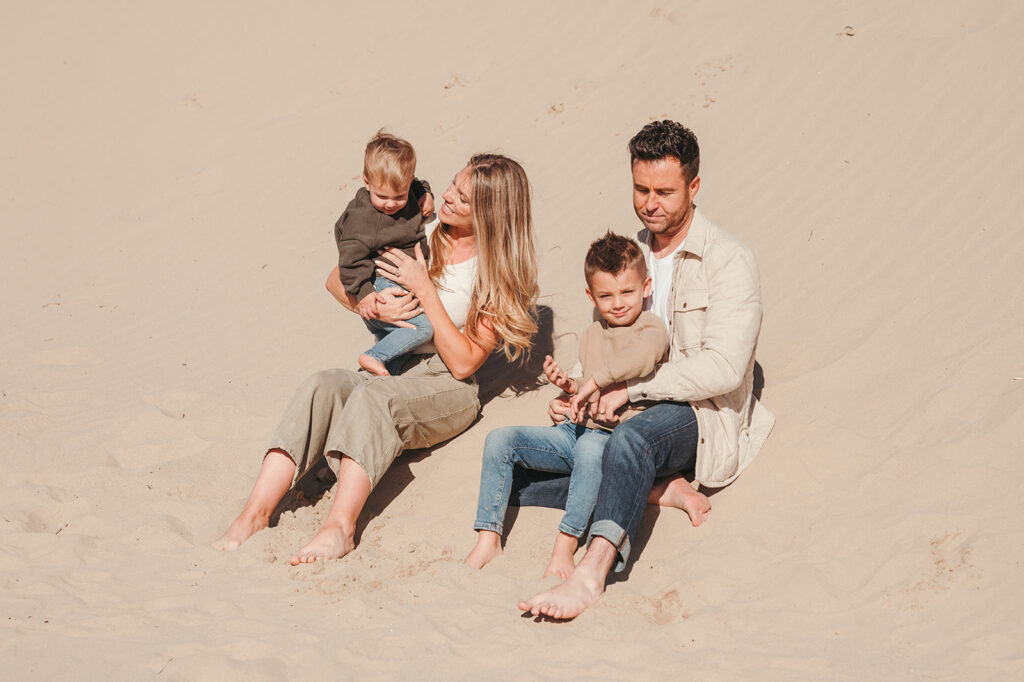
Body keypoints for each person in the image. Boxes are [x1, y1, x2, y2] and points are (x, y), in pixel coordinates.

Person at [213, 154, 539, 565]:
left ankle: (339, 529)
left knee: (375, 398)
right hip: (393, 362)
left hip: (446, 386)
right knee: (322, 385)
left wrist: (425, 290)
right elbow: (335, 279)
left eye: (464, 198)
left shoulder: (497, 271)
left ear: (492, 214)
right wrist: (370, 304)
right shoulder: (421, 230)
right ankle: (253, 515)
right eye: (454, 185)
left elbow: (464, 363)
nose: (449, 197)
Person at [517, 120, 775, 619]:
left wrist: (632, 389)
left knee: (627, 445)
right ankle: (656, 488)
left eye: (664, 191)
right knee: (525, 468)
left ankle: (592, 572)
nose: (649, 202)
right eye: (640, 189)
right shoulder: (627, 255)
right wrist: (576, 389)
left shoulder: (729, 260)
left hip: (697, 413)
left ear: (694, 187)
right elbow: (606, 342)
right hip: (622, 408)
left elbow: (723, 369)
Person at [465, 232, 668, 579]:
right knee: (500, 439)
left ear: (646, 287)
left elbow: (641, 358)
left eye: (627, 292)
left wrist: (594, 381)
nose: (618, 303)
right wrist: (569, 386)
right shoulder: (592, 333)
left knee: (590, 449)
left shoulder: (650, 327)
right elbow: (585, 384)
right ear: (591, 296)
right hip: (573, 430)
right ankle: (488, 536)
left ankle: (566, 543)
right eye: (606, 295)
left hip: (609, 438)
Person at [334, 130, 436, 377]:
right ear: (366, 181)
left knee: (396, 353)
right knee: (421, 328)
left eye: (399, 197)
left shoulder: (407, 187)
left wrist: (425, 193)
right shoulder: (363, 219)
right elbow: (350, 260)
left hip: (399, 279)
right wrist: (366, 294)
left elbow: (417, 183)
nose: (390, 204)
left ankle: (376, 378)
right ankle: (373, 356)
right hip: (379, 282)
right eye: (382, 197)